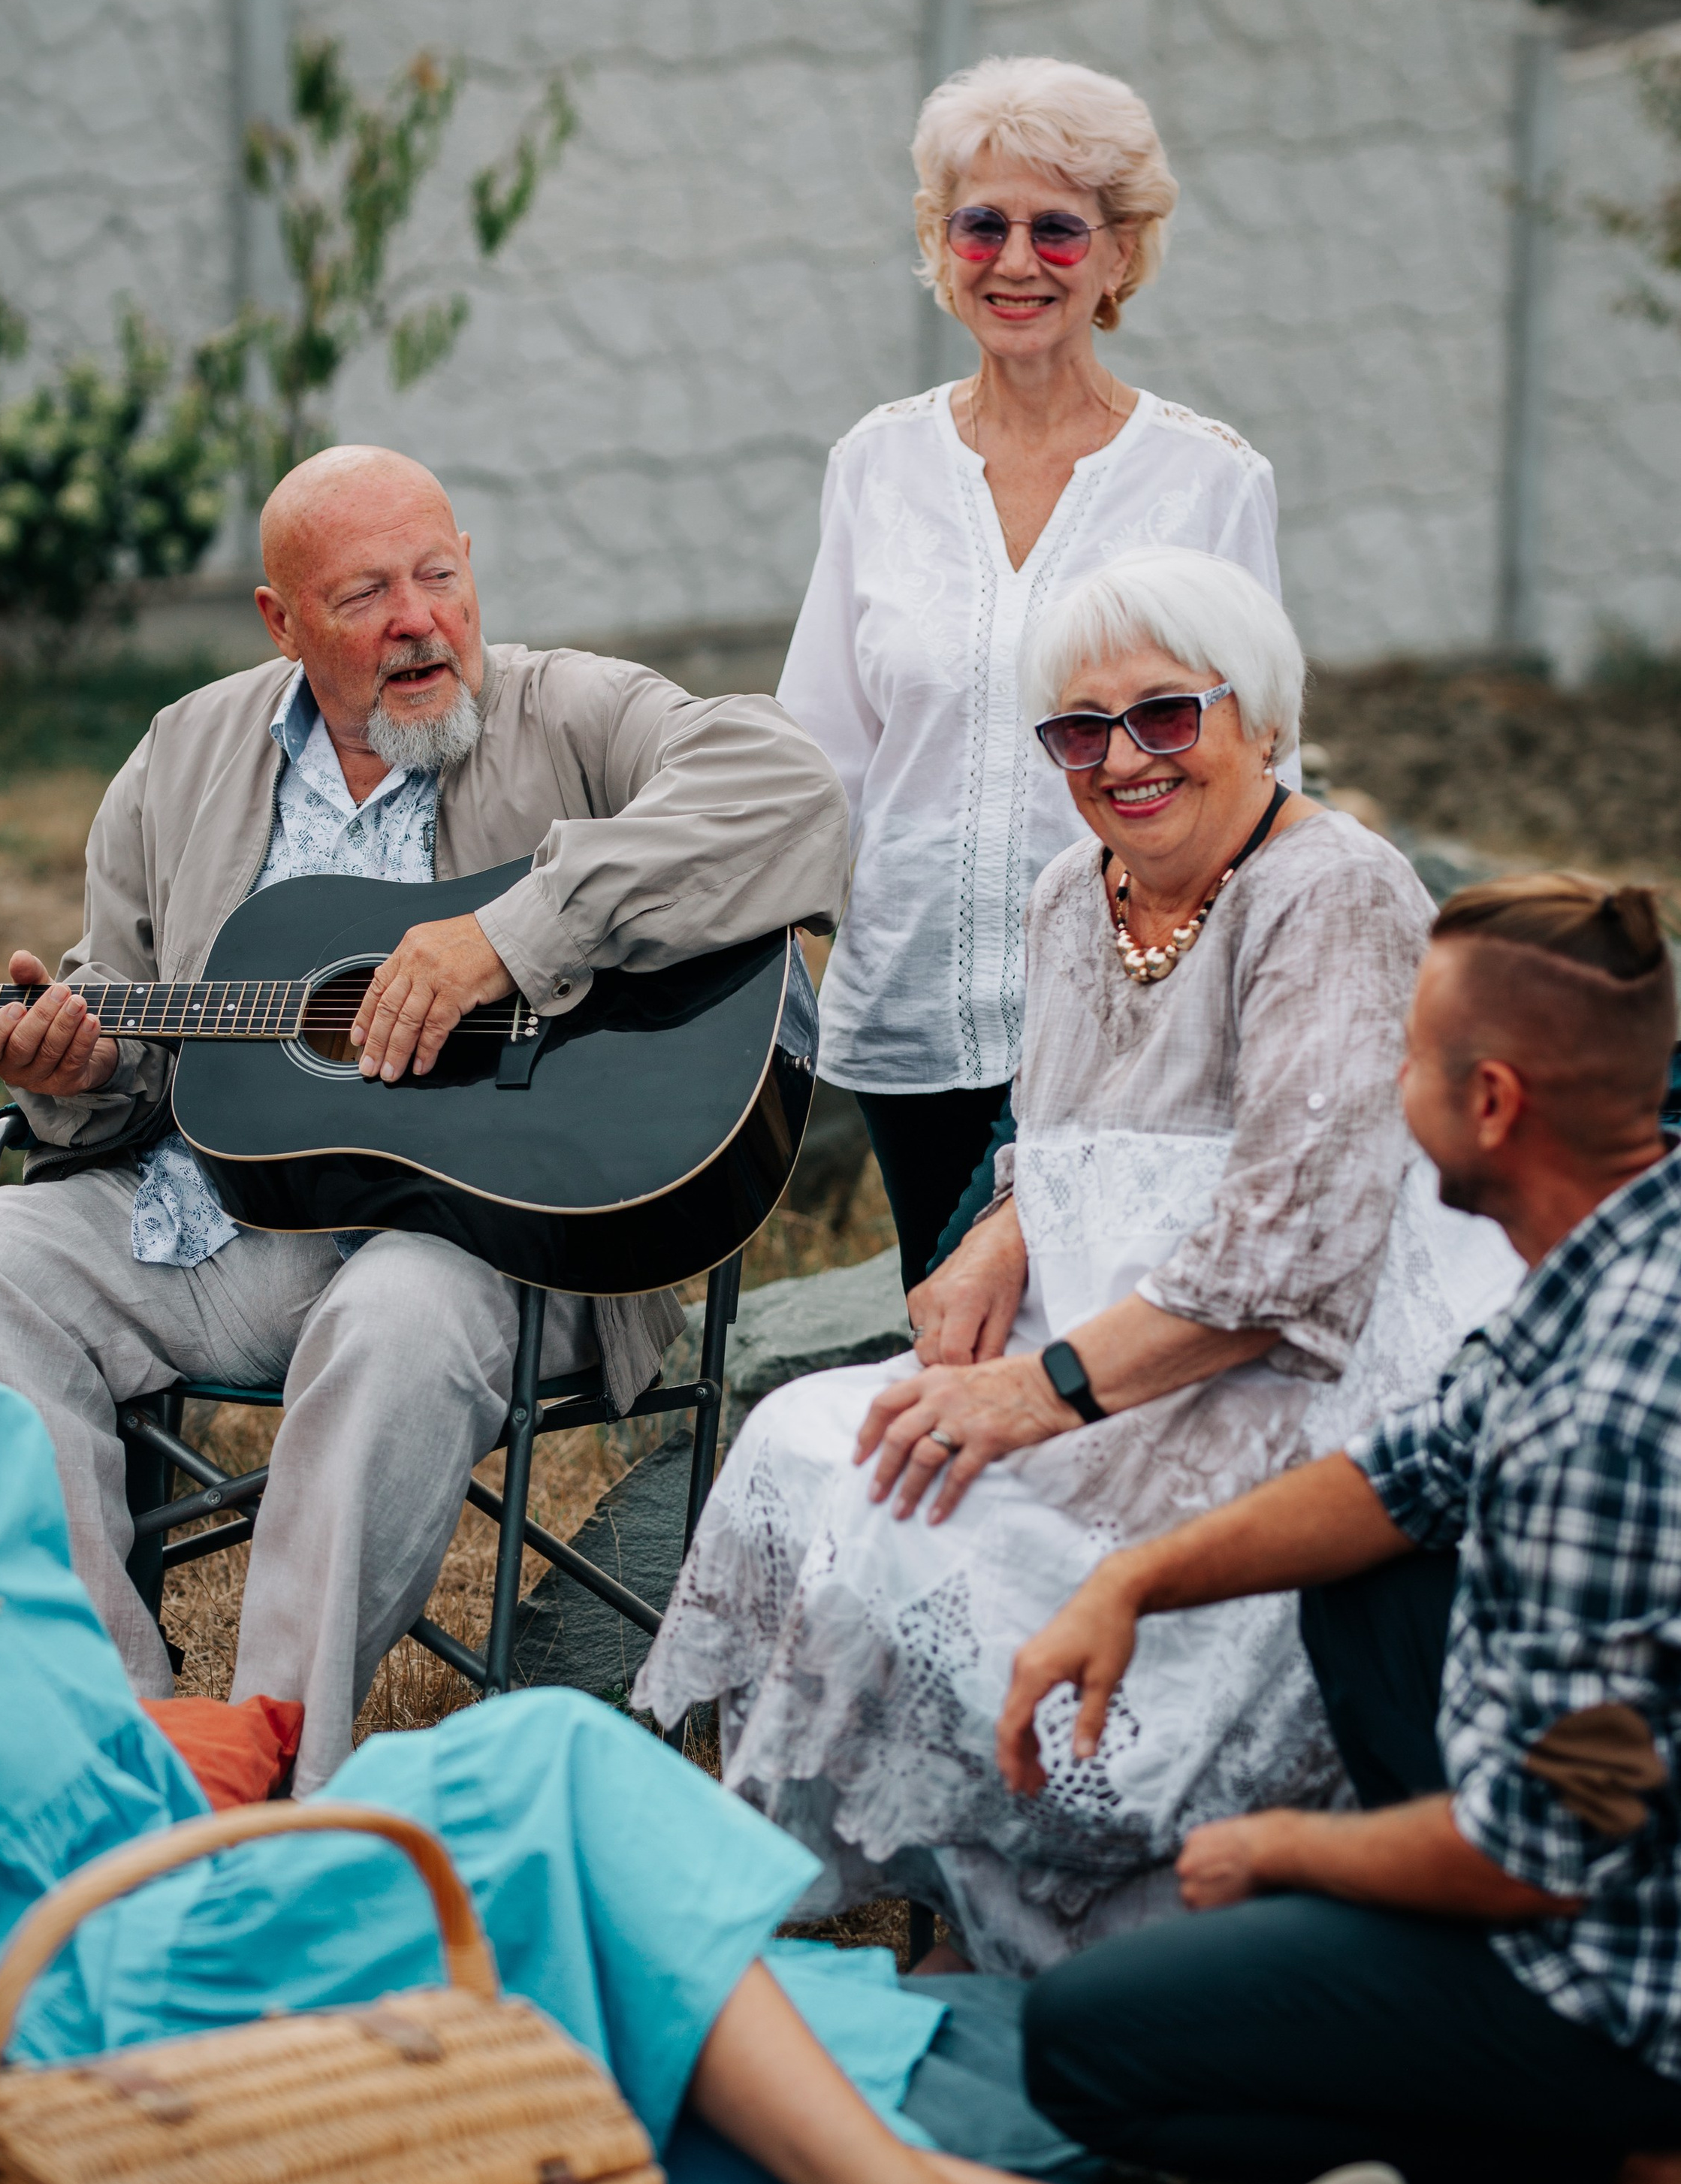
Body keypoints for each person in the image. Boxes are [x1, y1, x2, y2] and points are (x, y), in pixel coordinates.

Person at [0, 1089, 1407, 2184]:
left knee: (539, 1935)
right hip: (50, 2031)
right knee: (535, 1769)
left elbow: (104, 1760)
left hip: (191, 1894)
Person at [635, 550, 1517, 1971]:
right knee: (813, 1442)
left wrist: (1034, 1392)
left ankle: (1069, 1896)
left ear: (1262, 721)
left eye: (1165, 715)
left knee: (928, 1498)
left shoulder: (1334, 893)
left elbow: (1294, 1244)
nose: (1123, 760)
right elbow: (1067, 1130)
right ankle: (952, 1867)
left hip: (1293, 1385)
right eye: (1080, 731)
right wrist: (1005, 1225)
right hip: (1105, 1342)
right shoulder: (1068, 894)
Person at [0, 443, 850, 1792]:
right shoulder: (184, 751)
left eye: (438, 576)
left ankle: (267, 1773)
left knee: (392, 1318)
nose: (418, 620)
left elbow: (786, 790)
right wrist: (74, 1073)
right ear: (282, 621)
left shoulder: (572, 709)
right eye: (366, 595)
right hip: (221, 1228)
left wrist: (513, 936)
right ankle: (113, 1749)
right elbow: (136, 1026)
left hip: (499, 1239)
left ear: (471, 569)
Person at [1003, 876, 1681, 2184]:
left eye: (1409, 1054)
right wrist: (1131, 1579)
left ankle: (1584, 2140)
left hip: (1620, 1953)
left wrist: (1278, 1854)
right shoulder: (1629, 1240)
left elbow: (1538, 1851)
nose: (1387, 1080)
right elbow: (1408, 1471)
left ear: (1490, 1103)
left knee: (1080, 2043)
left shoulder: (1603, 1421)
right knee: (1370, 1571)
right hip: (1607, 1824)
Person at [777, 55, 1284, 1291]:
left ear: (1121, 253)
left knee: (1087, 1328)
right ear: (939, 243)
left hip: (1130, 1015)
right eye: (981, 225)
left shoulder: (1212, 481)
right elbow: (820, 752)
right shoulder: (875, 464)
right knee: (948, 1324)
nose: (1016, 262)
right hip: (911, 1008)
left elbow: (1257, 759)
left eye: (1057, 228)